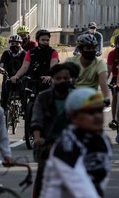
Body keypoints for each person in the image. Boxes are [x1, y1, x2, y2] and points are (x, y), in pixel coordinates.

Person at [40, 88, 112, 198]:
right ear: (73, 116)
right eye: (90, 112)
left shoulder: (103, 140)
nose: (98, 116)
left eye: (99, 110)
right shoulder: (66, 145)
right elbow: (81, 188)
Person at [31, 63, 79, 198]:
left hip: (71, 144)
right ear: (52, 79)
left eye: (66, 78)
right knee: (42, 175)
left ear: (71, 79)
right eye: (58, 78)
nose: (62, 81)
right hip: (48, 144)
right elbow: (37, 119)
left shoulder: (77, 97)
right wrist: (38, 137)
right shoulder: (43, 97)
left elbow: (85, 121)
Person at [66, 34, 111, 103]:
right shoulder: (71, 61)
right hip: (74, 98)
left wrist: (106, 97)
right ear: (80, 50)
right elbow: (64, 78)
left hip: (91, 99)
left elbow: (103, 83)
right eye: (88, 48)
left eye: (93, 48)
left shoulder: (100, 63)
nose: (91, 50)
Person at [0, 35, 26, 110]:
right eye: (12, 43)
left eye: (17, 43)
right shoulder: (6, 53)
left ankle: (24, 110)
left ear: (20, 44)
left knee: (24, 92)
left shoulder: (24, 53)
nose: (14, 45)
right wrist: (0, 68)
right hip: (8, 76)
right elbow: (2, 62)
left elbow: (26, 65)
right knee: (4, 94)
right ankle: (4, 110)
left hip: (21, 77)